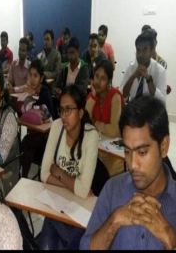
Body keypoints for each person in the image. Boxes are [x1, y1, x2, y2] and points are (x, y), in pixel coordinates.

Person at [81, 96, 176, 249]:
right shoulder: (112, 189)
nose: (132, 164)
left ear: (163, 146)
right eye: (127, 151)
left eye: (142, 152)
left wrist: (169, 237)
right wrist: (114, 221)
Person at [39, 84, 99, 250]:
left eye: (69, 110)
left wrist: (58, 173)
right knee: (49, 233)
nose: (63, 116)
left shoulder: (91, 136)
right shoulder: (57, 127)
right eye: (61, 110)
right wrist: (74, 186)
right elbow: (43, 174)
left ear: (80, 113)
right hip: (58, 204)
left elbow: (83, 190)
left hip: (79, 211)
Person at [86, 59, 125, 176]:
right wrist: (93, 96)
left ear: (109, 82)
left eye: (103, 78)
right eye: (96, 76)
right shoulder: (92, 96)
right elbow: (84, 122)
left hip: (115, 154)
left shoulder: (115, 96)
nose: (98, 81)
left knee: (100, 175)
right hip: (98, 149)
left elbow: (114, 131)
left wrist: (96, 124)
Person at [18, 59, 55, 178]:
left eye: (36, 76)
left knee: (26, 142)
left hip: (48, 135)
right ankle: (23, 176)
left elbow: (35, 109)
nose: (32, 79)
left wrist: (29, 97)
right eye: (30, 75)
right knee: (26, 142)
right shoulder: (31, 91)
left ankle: (24, 177)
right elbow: (21, 111)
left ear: (41, 78)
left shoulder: (45, 92)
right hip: (36, 132)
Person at [119, 31, 167, 104]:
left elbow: (162, 102)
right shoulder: (131, 67)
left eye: (145, 50)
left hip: (151, 109)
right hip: (133, 108)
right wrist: (133, 77)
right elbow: (121, 97)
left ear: (151, 52)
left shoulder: (160, 71)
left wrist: (148, 79)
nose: (140, 55)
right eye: (138, 50)